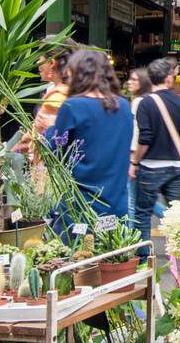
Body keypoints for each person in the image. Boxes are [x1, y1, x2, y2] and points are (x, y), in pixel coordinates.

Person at [45, 49, 135, 225]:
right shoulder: (124, 106)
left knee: (78, 251)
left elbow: (55, 152)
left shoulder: (73, 107)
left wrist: (47, 129)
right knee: (114, 250)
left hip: (81, 206)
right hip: (116, 203)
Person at [131, 56, 180, 239]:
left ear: (150, 79)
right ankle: (179, 256)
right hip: (176, 166)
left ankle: (144, 257)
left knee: (143, 214)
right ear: (169, 77)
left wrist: (135, 162)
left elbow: (145, 139)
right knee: (177, 216)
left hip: (150, 167)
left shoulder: (146, 103)